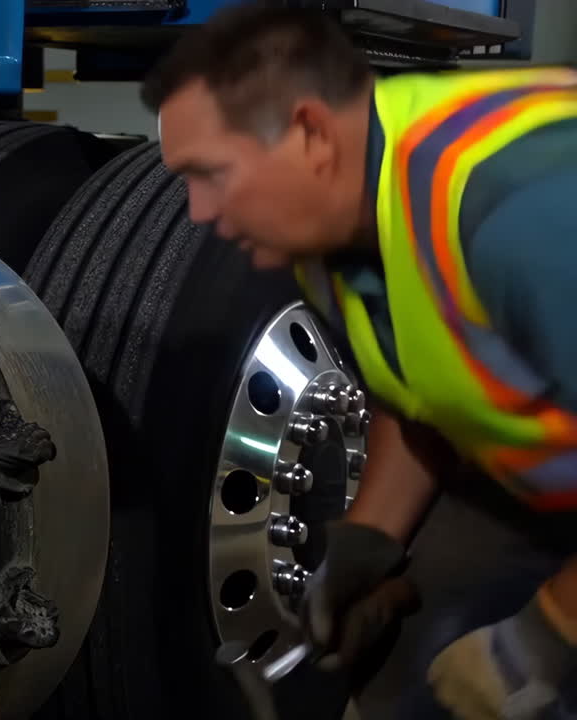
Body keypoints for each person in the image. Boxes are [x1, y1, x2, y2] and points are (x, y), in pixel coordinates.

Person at [142, 4, 577, 719]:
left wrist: (542, 643)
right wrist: (370, 540)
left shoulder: (515, 217)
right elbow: (424, 380)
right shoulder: (342, 214)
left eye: (211, 175)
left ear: (311, 135)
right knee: (420, 657)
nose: (197, 211)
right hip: (547, 470)